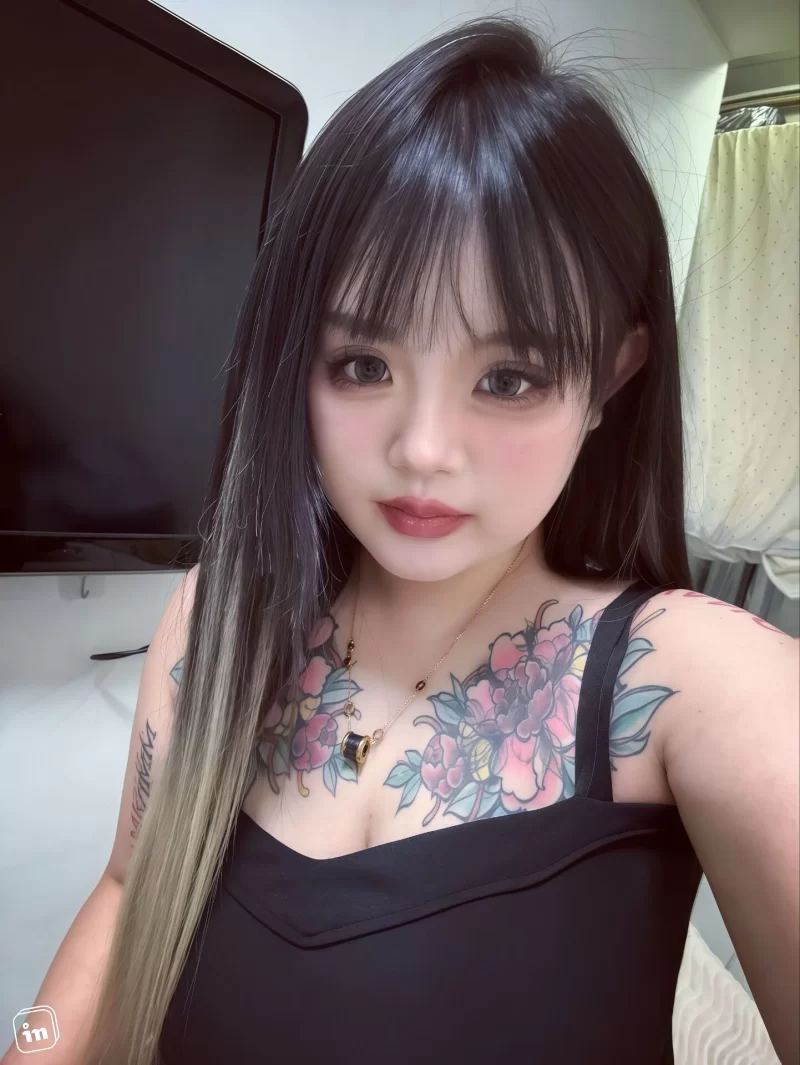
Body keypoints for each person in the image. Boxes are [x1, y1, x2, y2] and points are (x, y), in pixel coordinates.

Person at [6, 16, 797, 1065]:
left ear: (610, 373)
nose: (422, 450)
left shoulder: (696, 680)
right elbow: (125, 894)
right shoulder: (216, 617)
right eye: (363, 365)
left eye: (508, 377)